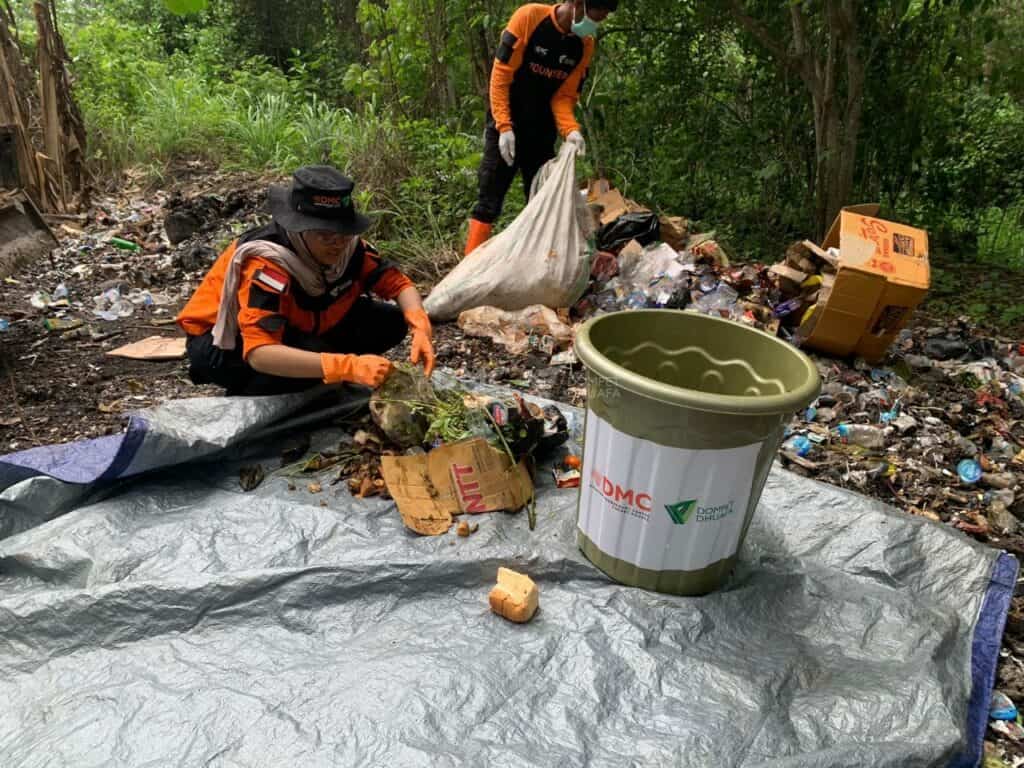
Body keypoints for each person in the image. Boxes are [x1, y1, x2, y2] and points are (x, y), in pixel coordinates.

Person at [176, 166, 435, 395]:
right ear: (300, 229)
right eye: (325, 236)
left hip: (302, 324)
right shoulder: (268, 264)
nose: (337, 244)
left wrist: (420, 326)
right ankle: (255, 391)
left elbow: (399, 285)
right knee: (310, 364)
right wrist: (347, 366)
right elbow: (260, 352)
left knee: (389, 321)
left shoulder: (350, 250)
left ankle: (316, 367)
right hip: (222, 344)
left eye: (343, 234)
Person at [463, 0, 617, 256]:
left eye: (601, 20)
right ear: (577, 4)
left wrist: (571, 131)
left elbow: (564, 96)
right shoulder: (529, 18)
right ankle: (468, 268)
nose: (595, 24)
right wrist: (503, 126)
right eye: (595, 16)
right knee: (489, 199)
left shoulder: (584, 45)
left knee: (541, 202)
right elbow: (501, 75)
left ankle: (537, 265)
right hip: (507, 123)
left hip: (541, 131)